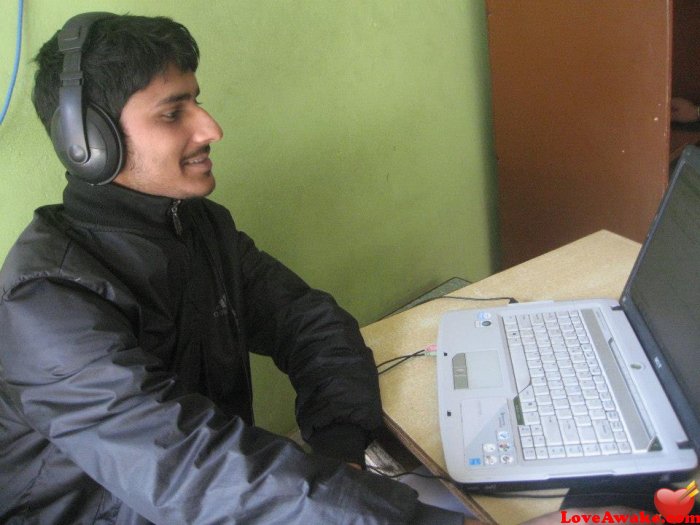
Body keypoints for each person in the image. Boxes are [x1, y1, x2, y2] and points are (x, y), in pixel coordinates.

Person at [0, 12, 473, 524]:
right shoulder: (44, 300)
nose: (211, 128)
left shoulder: (198, 227)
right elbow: (187, 472)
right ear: (88, 142)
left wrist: (341, 456)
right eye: (172, 112)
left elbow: (309, 322)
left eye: (196, 100)